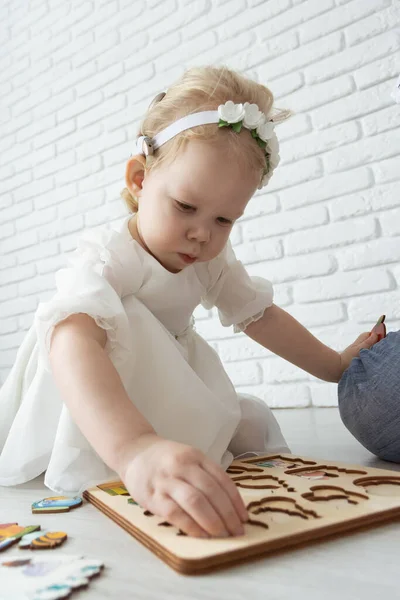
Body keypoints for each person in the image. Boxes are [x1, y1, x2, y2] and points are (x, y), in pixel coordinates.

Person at [0, 65, 379, 540]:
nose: (202, 233)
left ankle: (163, 452)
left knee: (249, 423)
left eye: (225, 219)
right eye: (185, 207)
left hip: (161, 382)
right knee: (118, 324)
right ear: (139, 180)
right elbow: (71, 343)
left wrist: (334, 365)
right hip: (90, 385)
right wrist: (135, 447)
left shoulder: (209, 261)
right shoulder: (110, 257)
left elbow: (260, 316)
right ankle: (134, 450)